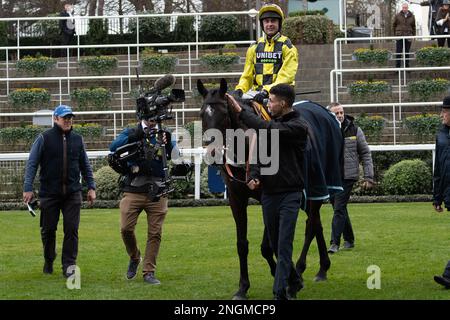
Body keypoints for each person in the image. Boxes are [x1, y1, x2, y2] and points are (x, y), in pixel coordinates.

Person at [227, 83, 308, 300]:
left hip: (290, 195)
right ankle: (295, 280)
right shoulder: (272, 125)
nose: (268, 104)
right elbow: (259, 156)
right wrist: (254, 176)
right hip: (270, 195)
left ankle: (278, 294)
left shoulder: (299, 126)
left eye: (271, 101)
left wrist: (240, 111)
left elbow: (264, 129)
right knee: (274, 245)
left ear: (282, 103)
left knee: (283, 245)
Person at [23, 105, 96, 277]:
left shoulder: (78, 139)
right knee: (48, 231)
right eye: (65, 118)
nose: (68, 120)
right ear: (55, 119)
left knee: (71, 230)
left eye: (70, 117)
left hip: (72, 193)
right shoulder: (44, 138)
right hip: (49, 193)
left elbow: (85, 165)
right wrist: (28, 188)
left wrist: (91, 186)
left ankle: (69, 266)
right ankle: (49, 259)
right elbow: (32, 163)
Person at [109, 112, 176, 285]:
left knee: (155, 233)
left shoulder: (164, 133)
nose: (154, 119)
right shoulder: (131, 131)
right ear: (144, 115)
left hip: (158, 189)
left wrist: (167, 144)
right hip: (134, 188)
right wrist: (136, 136)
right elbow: (113, 146)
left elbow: (175, 154)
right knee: (125, 228)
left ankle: (149, 272)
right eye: (151, 114)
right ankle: (134, 257)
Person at [327, 102, 374, 254]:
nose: (340, 115)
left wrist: (369, 177)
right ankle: (350, 239)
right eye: (336, 113)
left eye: (341, 112)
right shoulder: (326, 130)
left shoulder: (355, 129)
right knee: (339, 208)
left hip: (348, 176)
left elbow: (365, 153)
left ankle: (334, 243)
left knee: (339, 208)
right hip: (332, 176)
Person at [232, 3, 298, 104]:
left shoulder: (288, 47)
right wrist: (240, 89)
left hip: (280, 96)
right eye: (266, 21)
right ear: (262, 24)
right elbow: (247, 75)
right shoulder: (254, 47)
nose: (269, 24)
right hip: (256, 94)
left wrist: (266, 91)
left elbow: (286, 76)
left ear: (279, 23)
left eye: (273, 21)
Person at [433, 96, 450, 288]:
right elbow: (438, 168)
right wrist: (436, 197)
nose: (442, 115)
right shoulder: (441, 136)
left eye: (444, 111)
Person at [393, 2, 416, 68]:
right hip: (399, 35)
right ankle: (397, 67)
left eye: (405, 8)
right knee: (398, 51)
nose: (404, 9)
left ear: (407, 8)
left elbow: (414, 26)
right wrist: (395, 34)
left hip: (408, 35)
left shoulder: (412, 16)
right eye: (403, 8)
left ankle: (407, 66)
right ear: (402, 8)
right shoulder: (397, 15)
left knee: (407, 52)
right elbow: (394, 25)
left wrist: (414, 35)